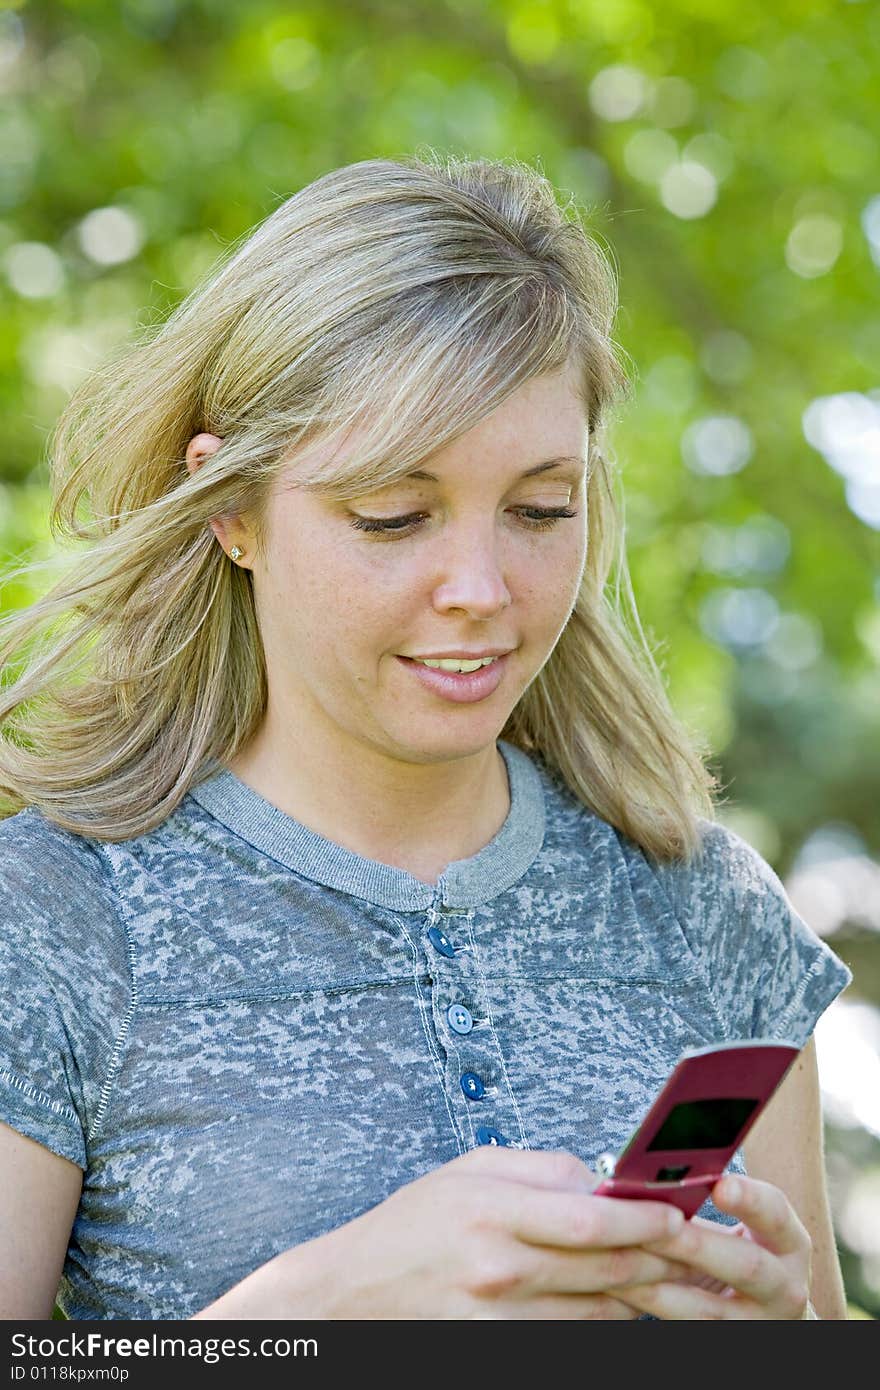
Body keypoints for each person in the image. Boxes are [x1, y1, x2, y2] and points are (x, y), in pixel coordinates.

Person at [0, 152, 851, 1321]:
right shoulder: (55, 920)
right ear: (232, 509)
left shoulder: (708, 912)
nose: (481, 587)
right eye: (394, 515)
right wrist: (319, 1306)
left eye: (541, 508)